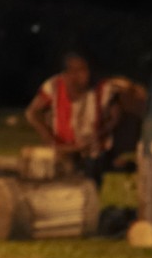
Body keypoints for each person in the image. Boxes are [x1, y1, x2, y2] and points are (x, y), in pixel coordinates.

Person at [25, 51, 118, 186]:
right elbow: (32, 113)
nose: (84, 75)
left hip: (93, 152)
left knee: (88, 186)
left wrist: (99, 134)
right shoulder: (53, 86)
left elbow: (116, 116)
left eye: (85, 69)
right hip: (62, 149)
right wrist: (49, 138)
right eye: (78, 70)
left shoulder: (103, 89)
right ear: (67, 73)